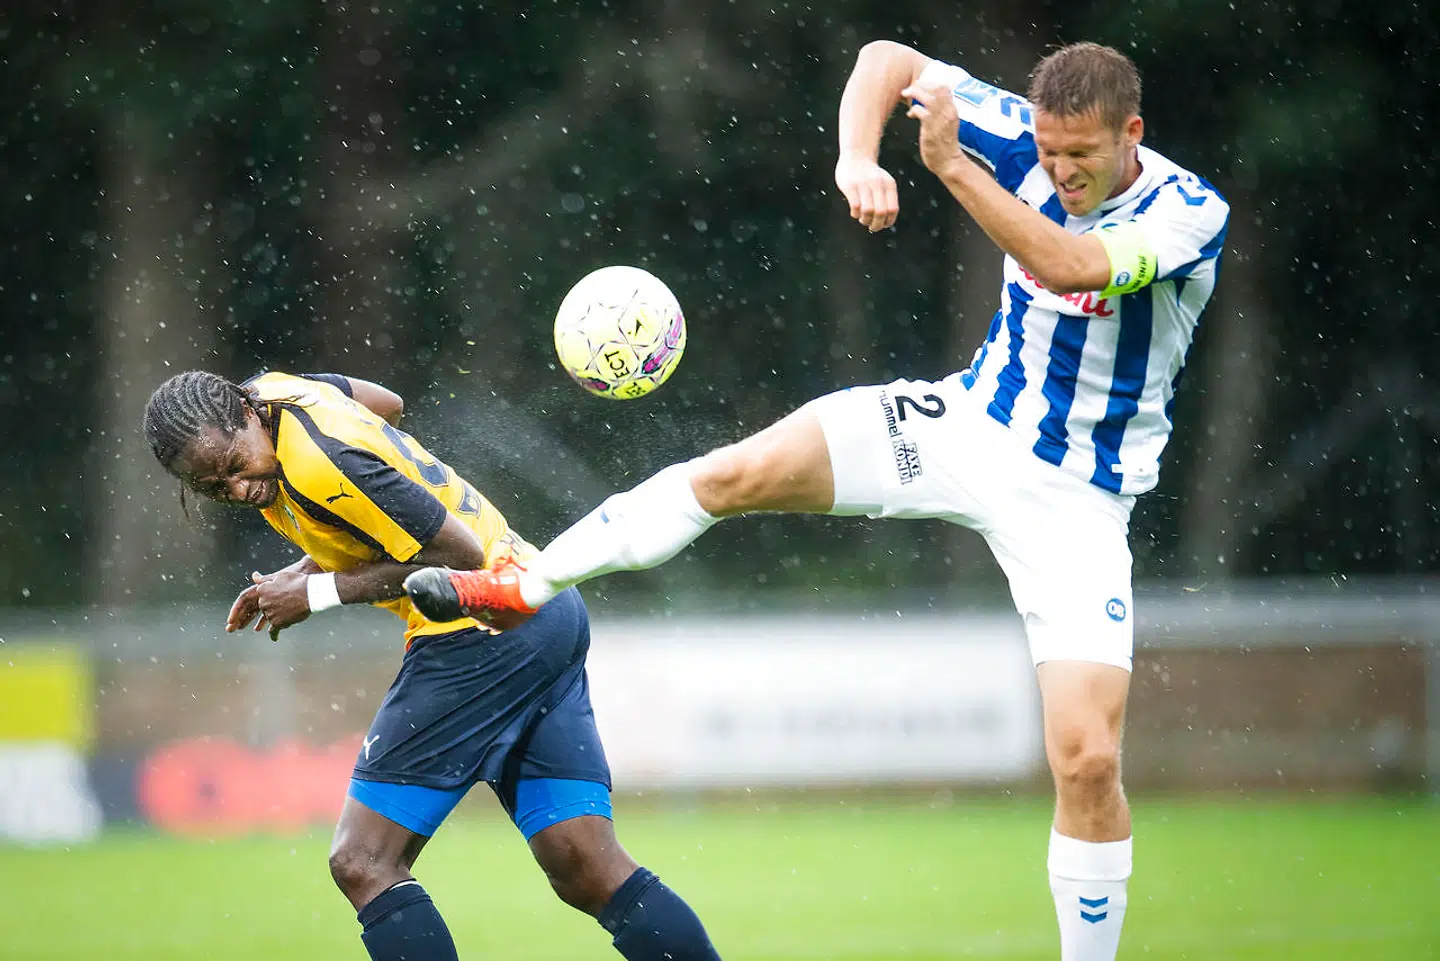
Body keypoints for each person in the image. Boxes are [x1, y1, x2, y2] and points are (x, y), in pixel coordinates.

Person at [406, 38, 1229, 961]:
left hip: (1077, 497)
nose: (1061, 169)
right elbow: (885, 59)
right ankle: (521, 584)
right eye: (1048, 150)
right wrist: (856, 157)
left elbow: (1073, 264)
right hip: (965, 425)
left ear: (1132, 133)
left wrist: (951, 167)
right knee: (734, 473)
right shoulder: (1014, 131)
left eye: (1082, 155)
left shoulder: (1188, 214)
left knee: (1086, 757)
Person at [141, 369, 723, 961]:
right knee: (585, 866)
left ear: (246, 415)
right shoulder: (276, 391)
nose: (239, 489)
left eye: (236, 465)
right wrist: (317, 556)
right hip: (543, 608)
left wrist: (316, 592)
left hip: (478, 636)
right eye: (212, 487)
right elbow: (386, 404)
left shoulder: (323, 464)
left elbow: (459, 557)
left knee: (363, 861)